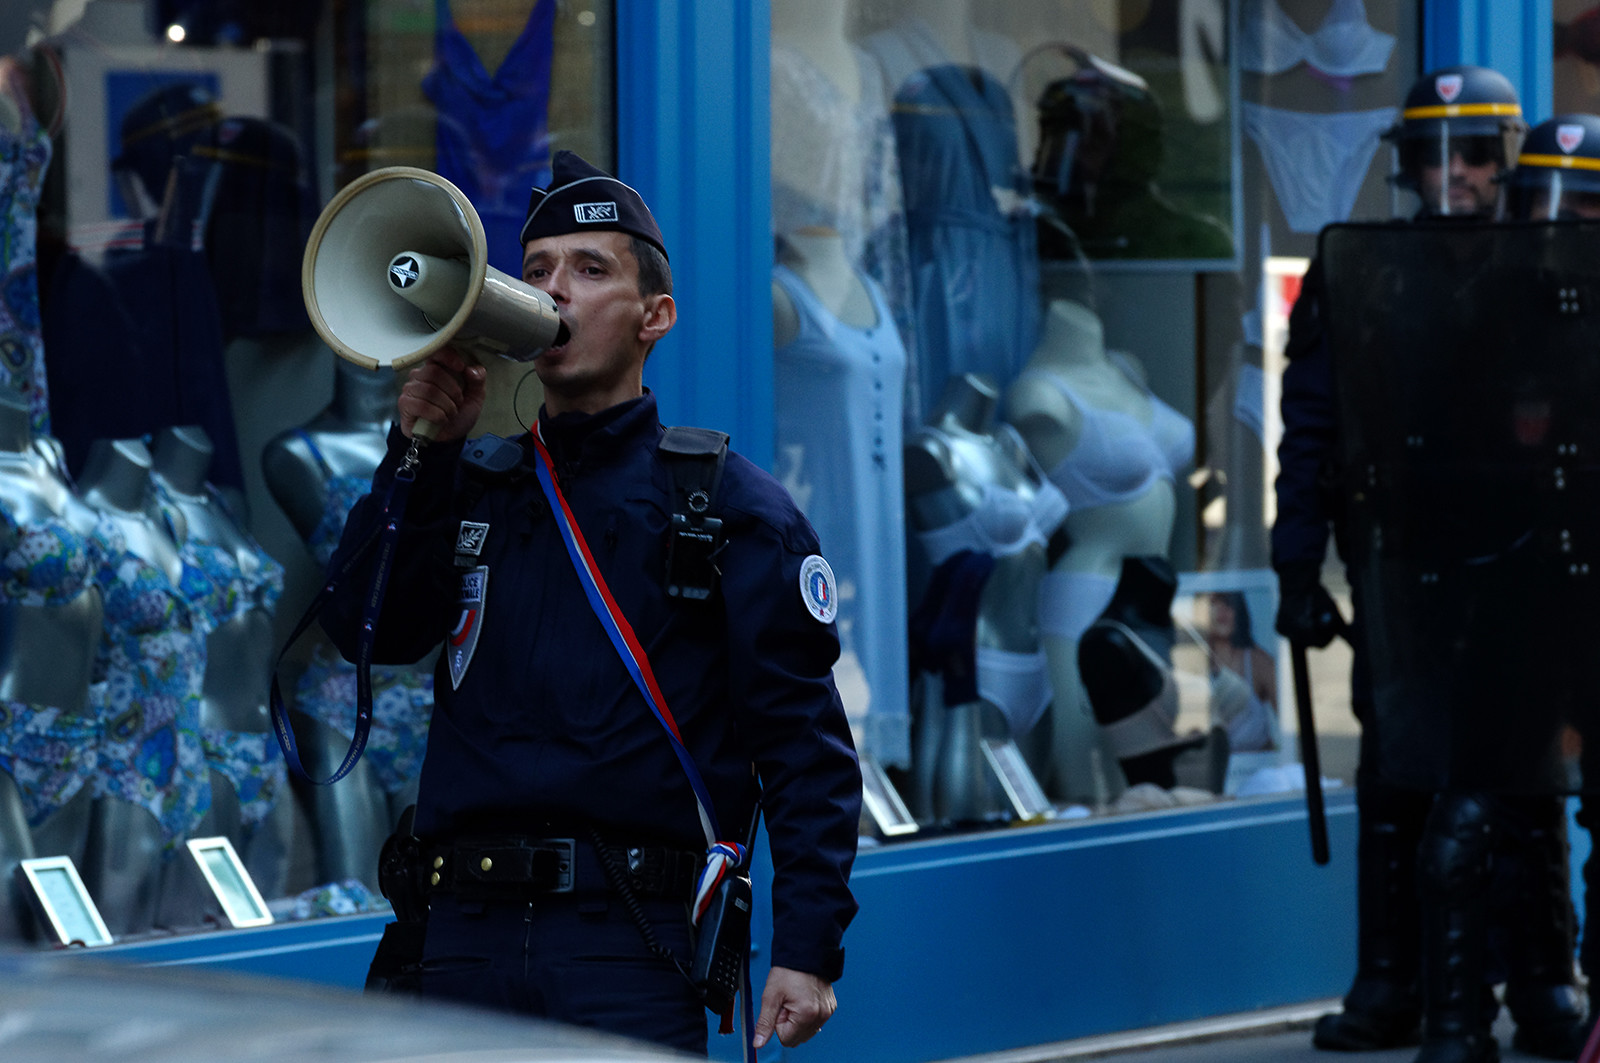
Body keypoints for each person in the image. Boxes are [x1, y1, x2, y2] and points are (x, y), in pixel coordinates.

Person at [317, 150, 861, 1055]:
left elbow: (804, 750)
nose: (554, 289)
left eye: (590, 268)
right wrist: (420, 453)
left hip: (628, 947)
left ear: (656, 317)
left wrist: (808, 949)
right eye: (536, 270)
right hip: (460, 939)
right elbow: (366, 630)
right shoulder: (472, 480)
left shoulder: (726, 507)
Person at [1275, 66, 1584, 1062]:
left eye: (1476, 154)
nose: (1454, 173)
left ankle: (1541, 978)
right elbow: (1310, 427)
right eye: (1432, 155)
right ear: (1404, 167)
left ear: (1507, 163)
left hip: (1528, 564)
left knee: (1527, 779)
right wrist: (1295, 566)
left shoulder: (1545, 262)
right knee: (1395, 776)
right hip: (1401, 565)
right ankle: (1390, 981)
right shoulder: (1365, 270)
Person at [1504, 113, 1600, 1058]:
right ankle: (1543, 989)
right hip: (1523, 590)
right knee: (1510, 796)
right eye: (1544, 203)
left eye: (1583, 207)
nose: (1560, 222)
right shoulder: (1495, 311)